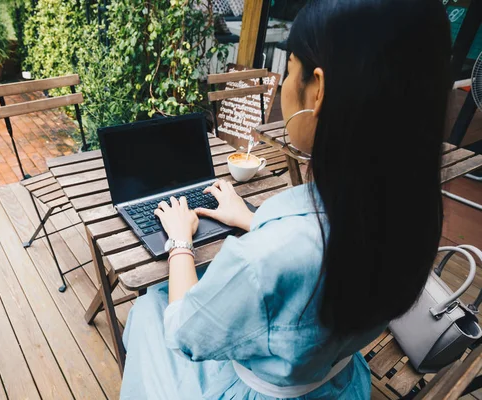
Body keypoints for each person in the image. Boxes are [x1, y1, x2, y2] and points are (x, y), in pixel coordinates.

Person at [120, 0, 452, 398]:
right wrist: (251, 219)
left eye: (289, 68)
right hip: (335, 379)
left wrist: (179, 240)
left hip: (255, 390)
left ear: (318, 89)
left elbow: (184, 332)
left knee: (149, 309)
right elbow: (323, 249)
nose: (284, 84)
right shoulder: (412, 211)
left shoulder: (266, 258)